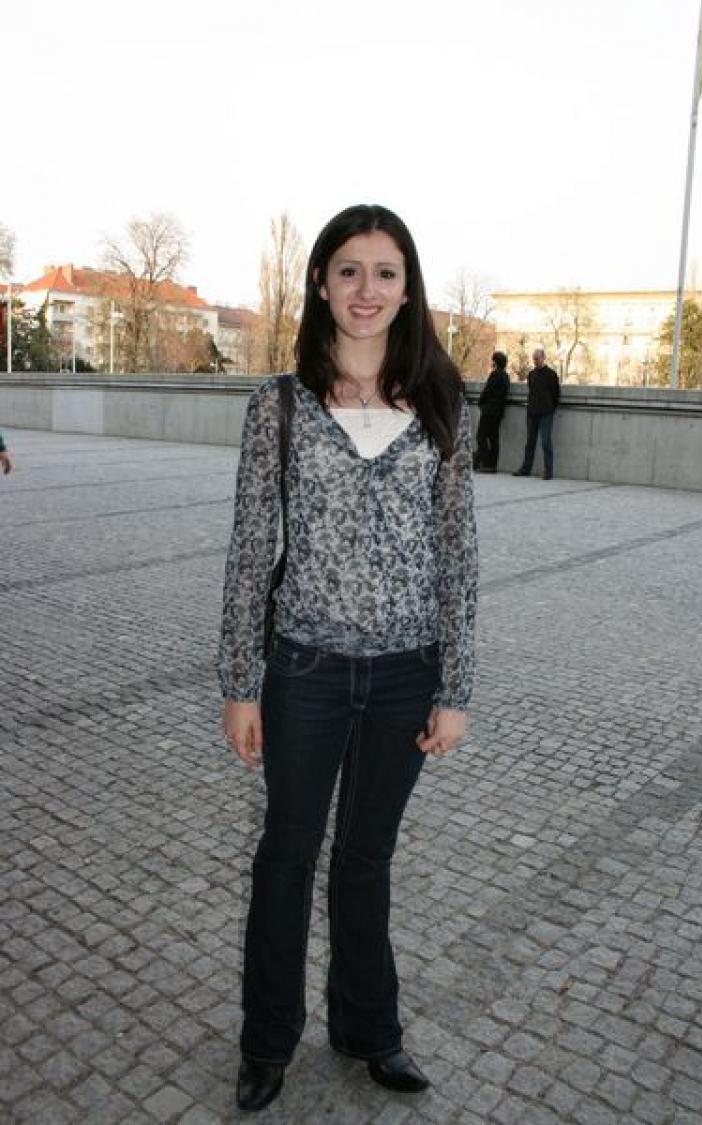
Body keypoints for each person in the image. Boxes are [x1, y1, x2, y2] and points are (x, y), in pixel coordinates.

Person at [218, 204, 478, 1114]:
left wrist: (457, 686)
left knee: (367, 859)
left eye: (386, 272)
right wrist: (240, 684)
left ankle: (371, 1032)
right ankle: (267, 1040)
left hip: (407, 669)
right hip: (306, 671)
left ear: (409, 288)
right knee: (286, 855)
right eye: (349, 270)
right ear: (321, 282)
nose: (367, 290)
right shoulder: (278, 406)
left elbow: (459, 552)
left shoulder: (442, 403)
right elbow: (252, 550)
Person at [513, 348, 560, 479]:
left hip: (546, 413)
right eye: (534, 359)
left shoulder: (551, 374)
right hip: (532, 412)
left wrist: (551, 408)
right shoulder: (531, 374)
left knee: (546, 441)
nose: (535, 361)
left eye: (537, 359)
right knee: (530, 442)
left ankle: (548, 471)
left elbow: (556, 394)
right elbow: (531, 391)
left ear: (543, 358)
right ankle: (525, 469)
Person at [474, 350, 509, 472]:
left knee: (481, 436)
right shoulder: (506, 376)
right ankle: (493, 465)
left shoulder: (494, 375)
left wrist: (481, 403)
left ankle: (485, 463)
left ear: (495, 362)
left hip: (489, 410)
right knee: (494, 438)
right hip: (498, 411)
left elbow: (487, 391)